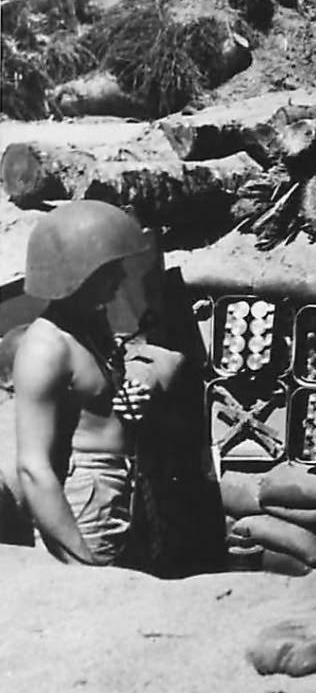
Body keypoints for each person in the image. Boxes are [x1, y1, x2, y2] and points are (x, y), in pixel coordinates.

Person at [12, 200, 183, 566]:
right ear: (78, 275)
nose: (120, 280)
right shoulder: (45, 348)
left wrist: (131, 395)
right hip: (82, 508)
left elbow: (98, 394)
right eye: (109, 270)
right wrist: (81, 565)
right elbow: (33, 468)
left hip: (122, 486)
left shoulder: (92, 325)